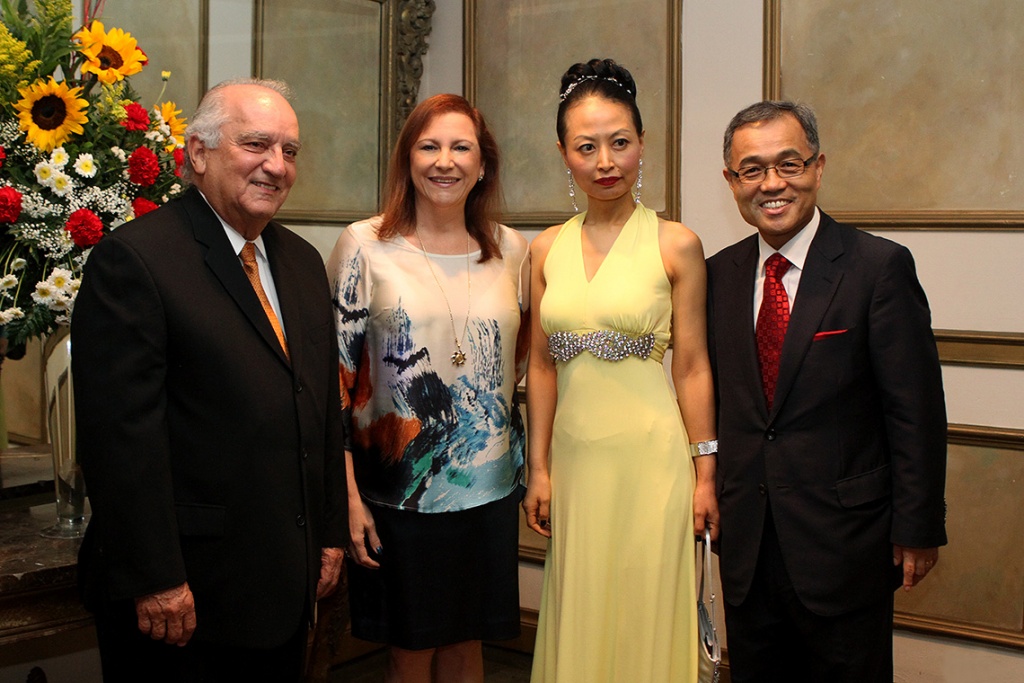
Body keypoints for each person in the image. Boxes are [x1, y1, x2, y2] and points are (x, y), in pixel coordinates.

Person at [72, 78, 347, 682]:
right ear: (198, 152)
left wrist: (328, 536)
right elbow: (120, 442)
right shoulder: (137, 260)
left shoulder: (301, 262)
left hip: (284, 587)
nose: (276, 166)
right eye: (256, 145)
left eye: (290, 151)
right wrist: (157, 579)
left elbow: (321, 409)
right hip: (184, 599)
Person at [706, 100, 948, 682]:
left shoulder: (877, 267)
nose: (772, 184)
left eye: (788, 164)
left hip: (847, 547)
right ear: (731, 181)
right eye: (752, 169)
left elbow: (915, 412)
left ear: (818, 167)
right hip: (747, 546)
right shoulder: (716, 276)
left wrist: (917, 527)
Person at [524, 58, 719, 683]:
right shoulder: (544, 249)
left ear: (642, 144)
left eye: (620, 142)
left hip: (652, 460)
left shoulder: (676, 244)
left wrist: (705, 474)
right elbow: (541, 368)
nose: (605, 161)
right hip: (576, 463)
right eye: (587, 147)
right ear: (564, 154)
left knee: (645, 611)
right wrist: (539, 468)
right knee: (581, 608)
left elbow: (692, 367)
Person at [327, 93, 529, 683]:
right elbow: (334, 385)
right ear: (407, 160)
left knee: (469, 645)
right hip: (397, 493)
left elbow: (519, 368)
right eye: (429, 146)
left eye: (461, 147)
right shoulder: (364, 245)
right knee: (409, 653)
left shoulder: (514, 251)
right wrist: (348, 496)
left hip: (488, 490)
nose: (445, 161)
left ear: (483, 164)